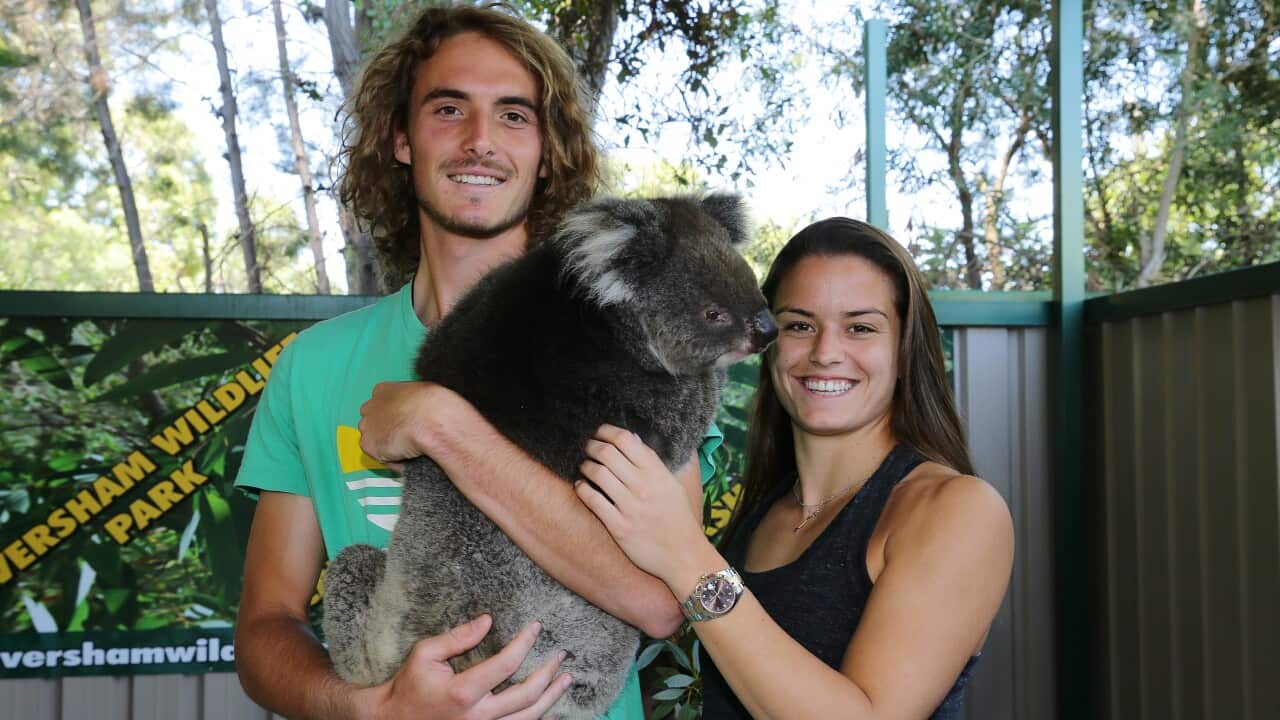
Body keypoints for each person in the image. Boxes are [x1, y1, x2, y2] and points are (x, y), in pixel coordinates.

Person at [233, 6, 721, 719]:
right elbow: (264, 626)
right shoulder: (312, 368)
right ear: (400, 139)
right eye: (449, 108)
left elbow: (659, 601)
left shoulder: (636, 346)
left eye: (514, 116)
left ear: (548, 152)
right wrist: (375, 708)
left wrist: (443, 425)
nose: (480, 140)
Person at [575, 218, 1015, 719]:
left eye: (861, 328)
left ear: (905, 349)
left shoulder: (956, 509)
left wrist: (683, 554)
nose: (826, 353)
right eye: (799, 326)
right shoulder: (765, 512)